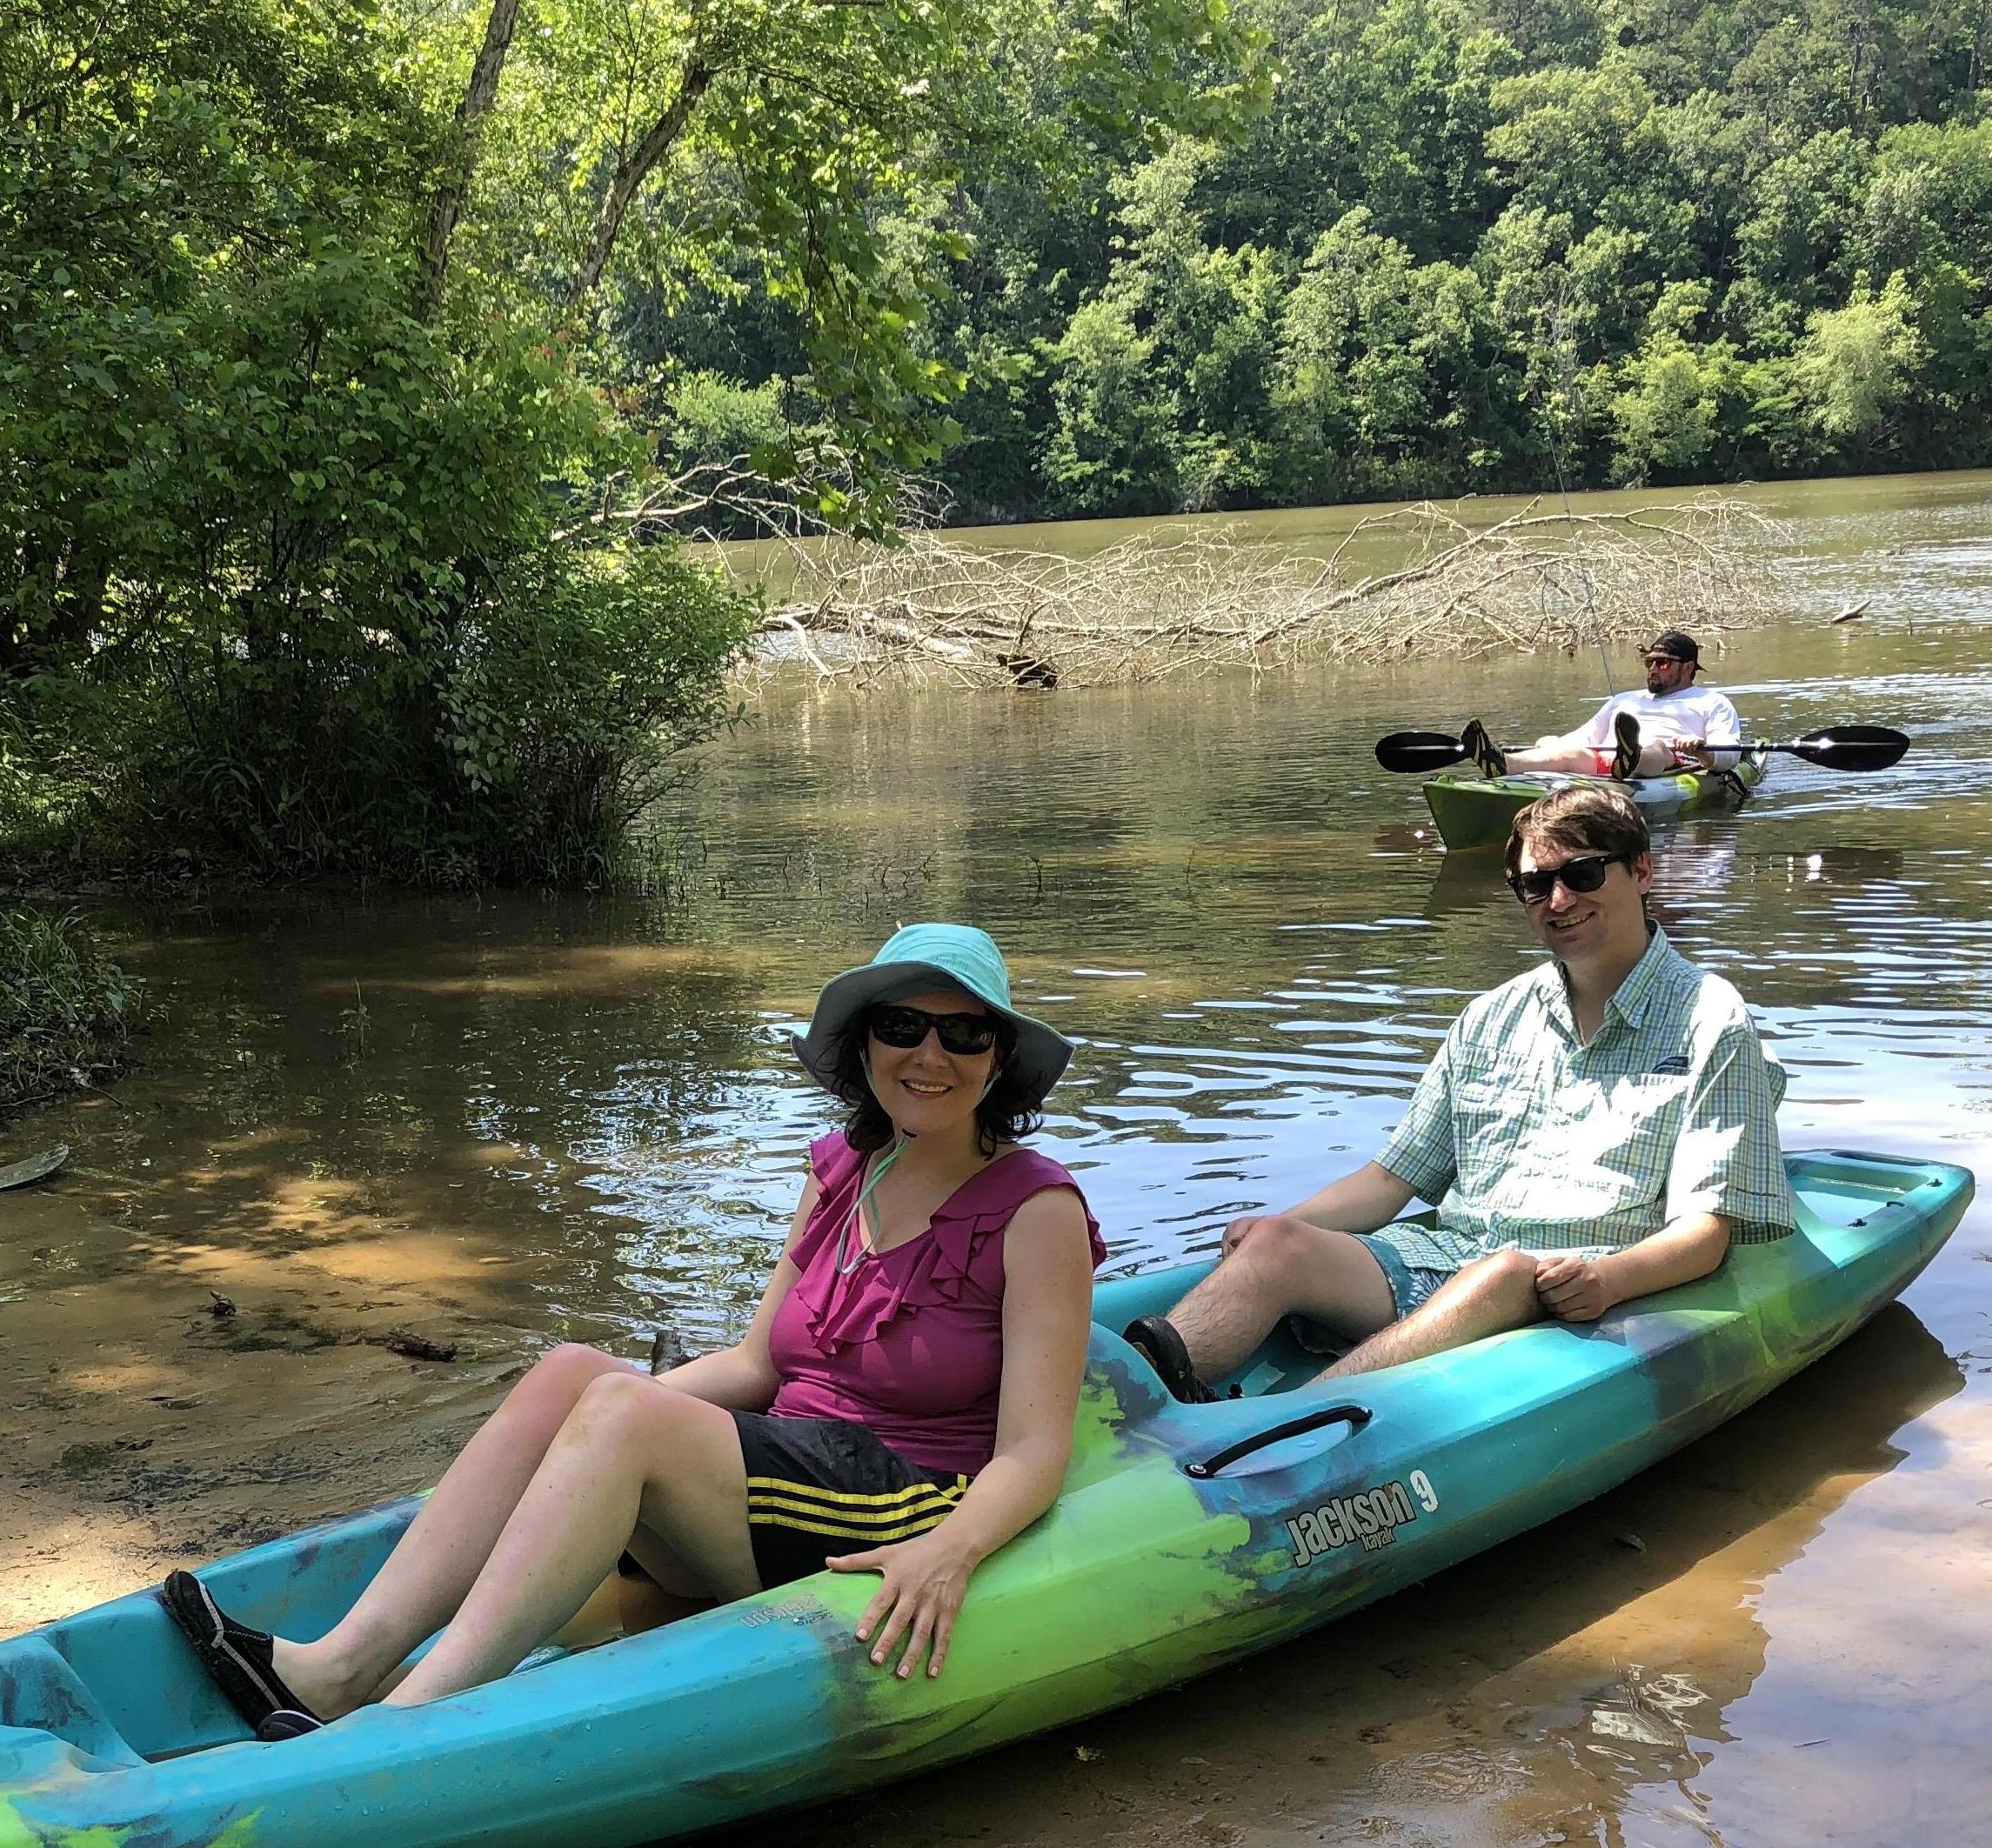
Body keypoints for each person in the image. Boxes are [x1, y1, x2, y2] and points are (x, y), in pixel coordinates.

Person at [160, 923, 1106, 1731]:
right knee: (578, 1370)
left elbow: (1032, 1452)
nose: (930, 1057)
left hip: (900, 1493)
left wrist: (948, 1553)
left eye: (964, 1034)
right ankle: (340, 1668)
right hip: (790, 1454)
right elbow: (751, 1361)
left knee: (618, 1408)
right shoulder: (843, 1168)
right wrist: (571, 1435)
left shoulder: (1034, 1210)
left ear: (998, 1058)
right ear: (864, 1044)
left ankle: (409, 1724)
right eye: (903, 1027)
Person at [1123, 784, 1791, 1399]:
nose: (1558, 900)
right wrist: (1280, 1223)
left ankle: (1288, 1421)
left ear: (1641, 871)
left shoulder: (1711, 1019)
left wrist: (1607, 1280)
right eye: (1535, 885)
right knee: (1277, 1242)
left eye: (1581, 874)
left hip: (1561, 1282)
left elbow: (1706, 1232)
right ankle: (1132, 1406)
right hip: (1442, 1260)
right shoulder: (1491, 1018)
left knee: (1500, 1273)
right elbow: (1391, 1181)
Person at [1502, 629, 1742, 780]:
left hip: (1669, 761)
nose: (1653, 669)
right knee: (1566, 750)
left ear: (1688, 667)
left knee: (1656, 747)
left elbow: (1729, 753)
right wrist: (1548, 747)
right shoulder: (1624, 700)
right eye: (1650, 662)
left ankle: (1631, 759)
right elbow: (1585, 737)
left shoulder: (1712, 701)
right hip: (1607, 762)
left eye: (1663, 663)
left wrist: (1701, 749)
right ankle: (1502, 763)